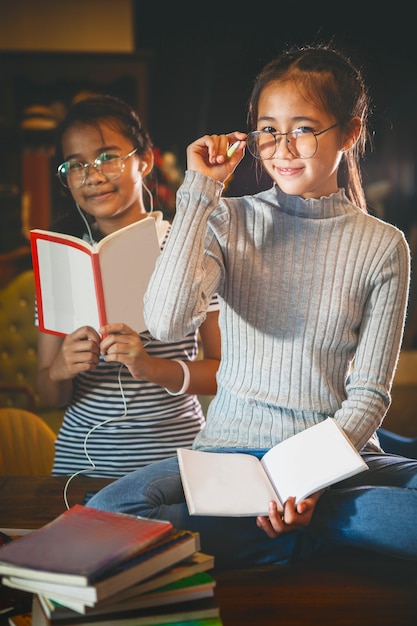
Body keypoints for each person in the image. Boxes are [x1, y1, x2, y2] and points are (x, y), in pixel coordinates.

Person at [88, 45, 417, 568]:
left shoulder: (384, 245)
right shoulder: (228, 219)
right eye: (268, 129)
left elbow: (370, 396)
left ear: (350, 133)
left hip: (331, 459)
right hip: (229, 454)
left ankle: (277, 532)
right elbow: (167, 320)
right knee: (107, 510)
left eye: (303, 129)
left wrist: (308, 484)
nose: (282, 148)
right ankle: (300, 536)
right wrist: (200, 191)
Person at [36, 94, 221, 478]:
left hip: (177, 463)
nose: (93, 175)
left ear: (144, 160)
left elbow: (225, 373)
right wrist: (58, 369)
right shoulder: (62, 263)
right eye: (76, 165)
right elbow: (47, 394)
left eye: (108, 157)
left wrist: (151, 366)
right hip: (81, 467)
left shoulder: (191, 246)